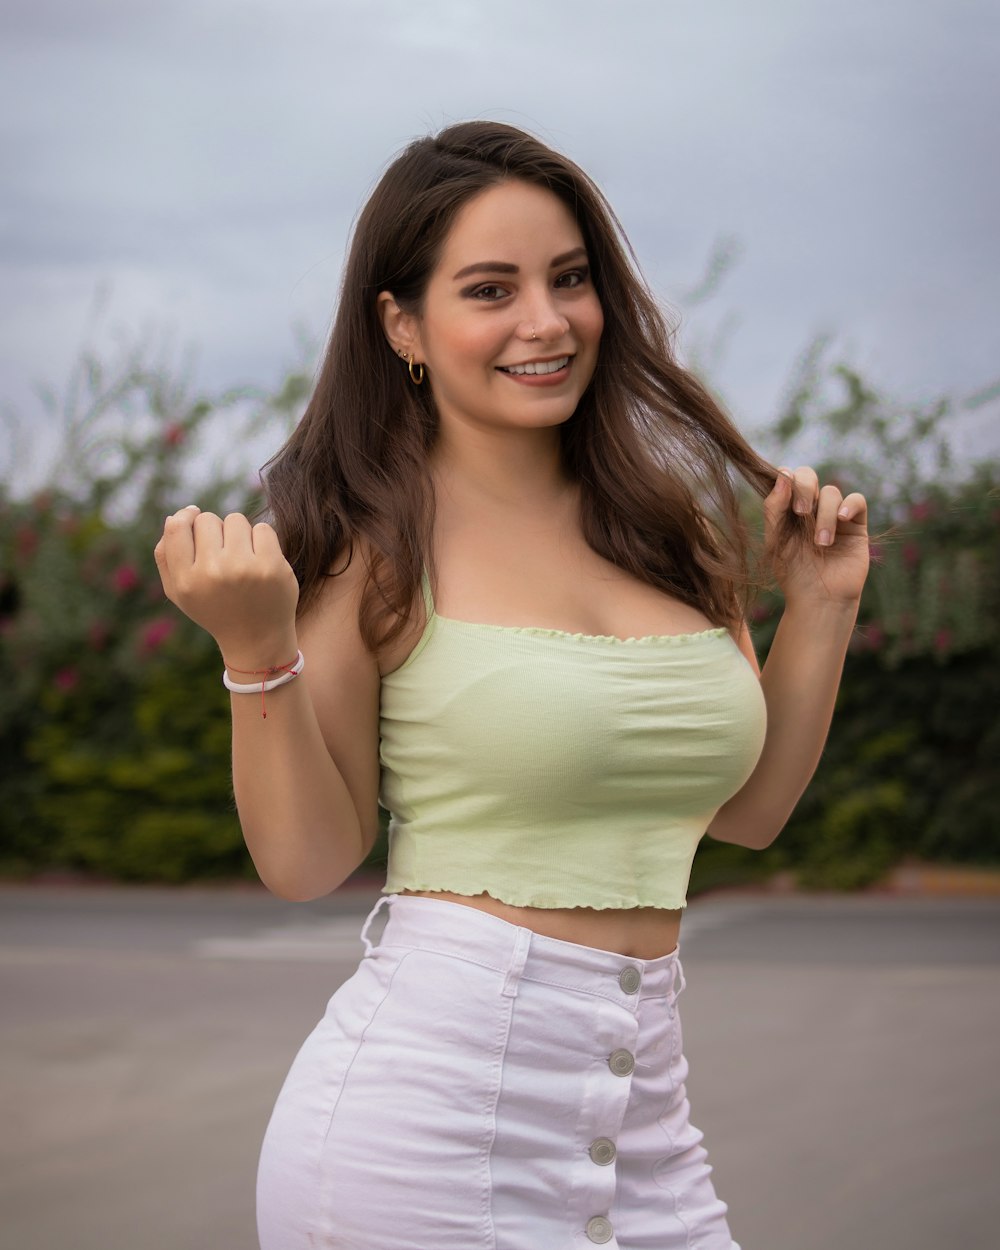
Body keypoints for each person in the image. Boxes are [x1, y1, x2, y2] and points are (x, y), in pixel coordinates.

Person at [153, 121, 869, 1250]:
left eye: (570, 278)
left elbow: (750, 808)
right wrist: (256, 650)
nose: (546, 321)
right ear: (403, 324)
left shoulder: (666, 529)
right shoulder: (365, 546)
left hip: (642, 1126)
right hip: (421, 1137)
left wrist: (822, 604)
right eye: (491, 288)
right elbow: (304, 859)